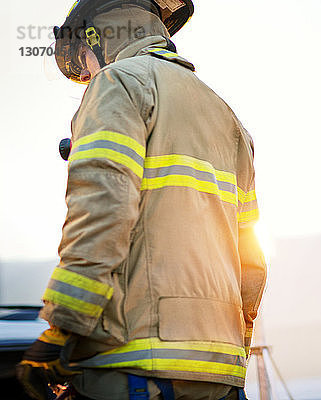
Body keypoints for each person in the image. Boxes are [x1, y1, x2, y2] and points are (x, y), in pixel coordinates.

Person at [17, 1, 267, 399]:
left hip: (133, 366)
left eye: (83, 61)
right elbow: (250, 259)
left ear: (97, 39)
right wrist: (234, 340)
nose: (86, 74)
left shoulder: (118, 83)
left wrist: (62, 328)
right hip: (219, 372)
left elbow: (101, 210)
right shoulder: (227, 114)